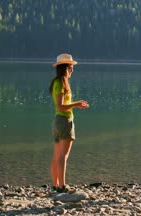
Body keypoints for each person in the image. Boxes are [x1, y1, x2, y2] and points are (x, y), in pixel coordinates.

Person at [49, 53, 89, 193]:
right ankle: (62, 186)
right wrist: (77, 104)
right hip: (64, 121)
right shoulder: (60, 83)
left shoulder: (58, 82)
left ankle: (55, 186)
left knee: (57, 156)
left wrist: (74, 104)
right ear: (65, 68)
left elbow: (60, 105)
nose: (72, 70)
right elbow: (60, 106)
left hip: (57, 122)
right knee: (62, 156)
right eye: (71, 67)